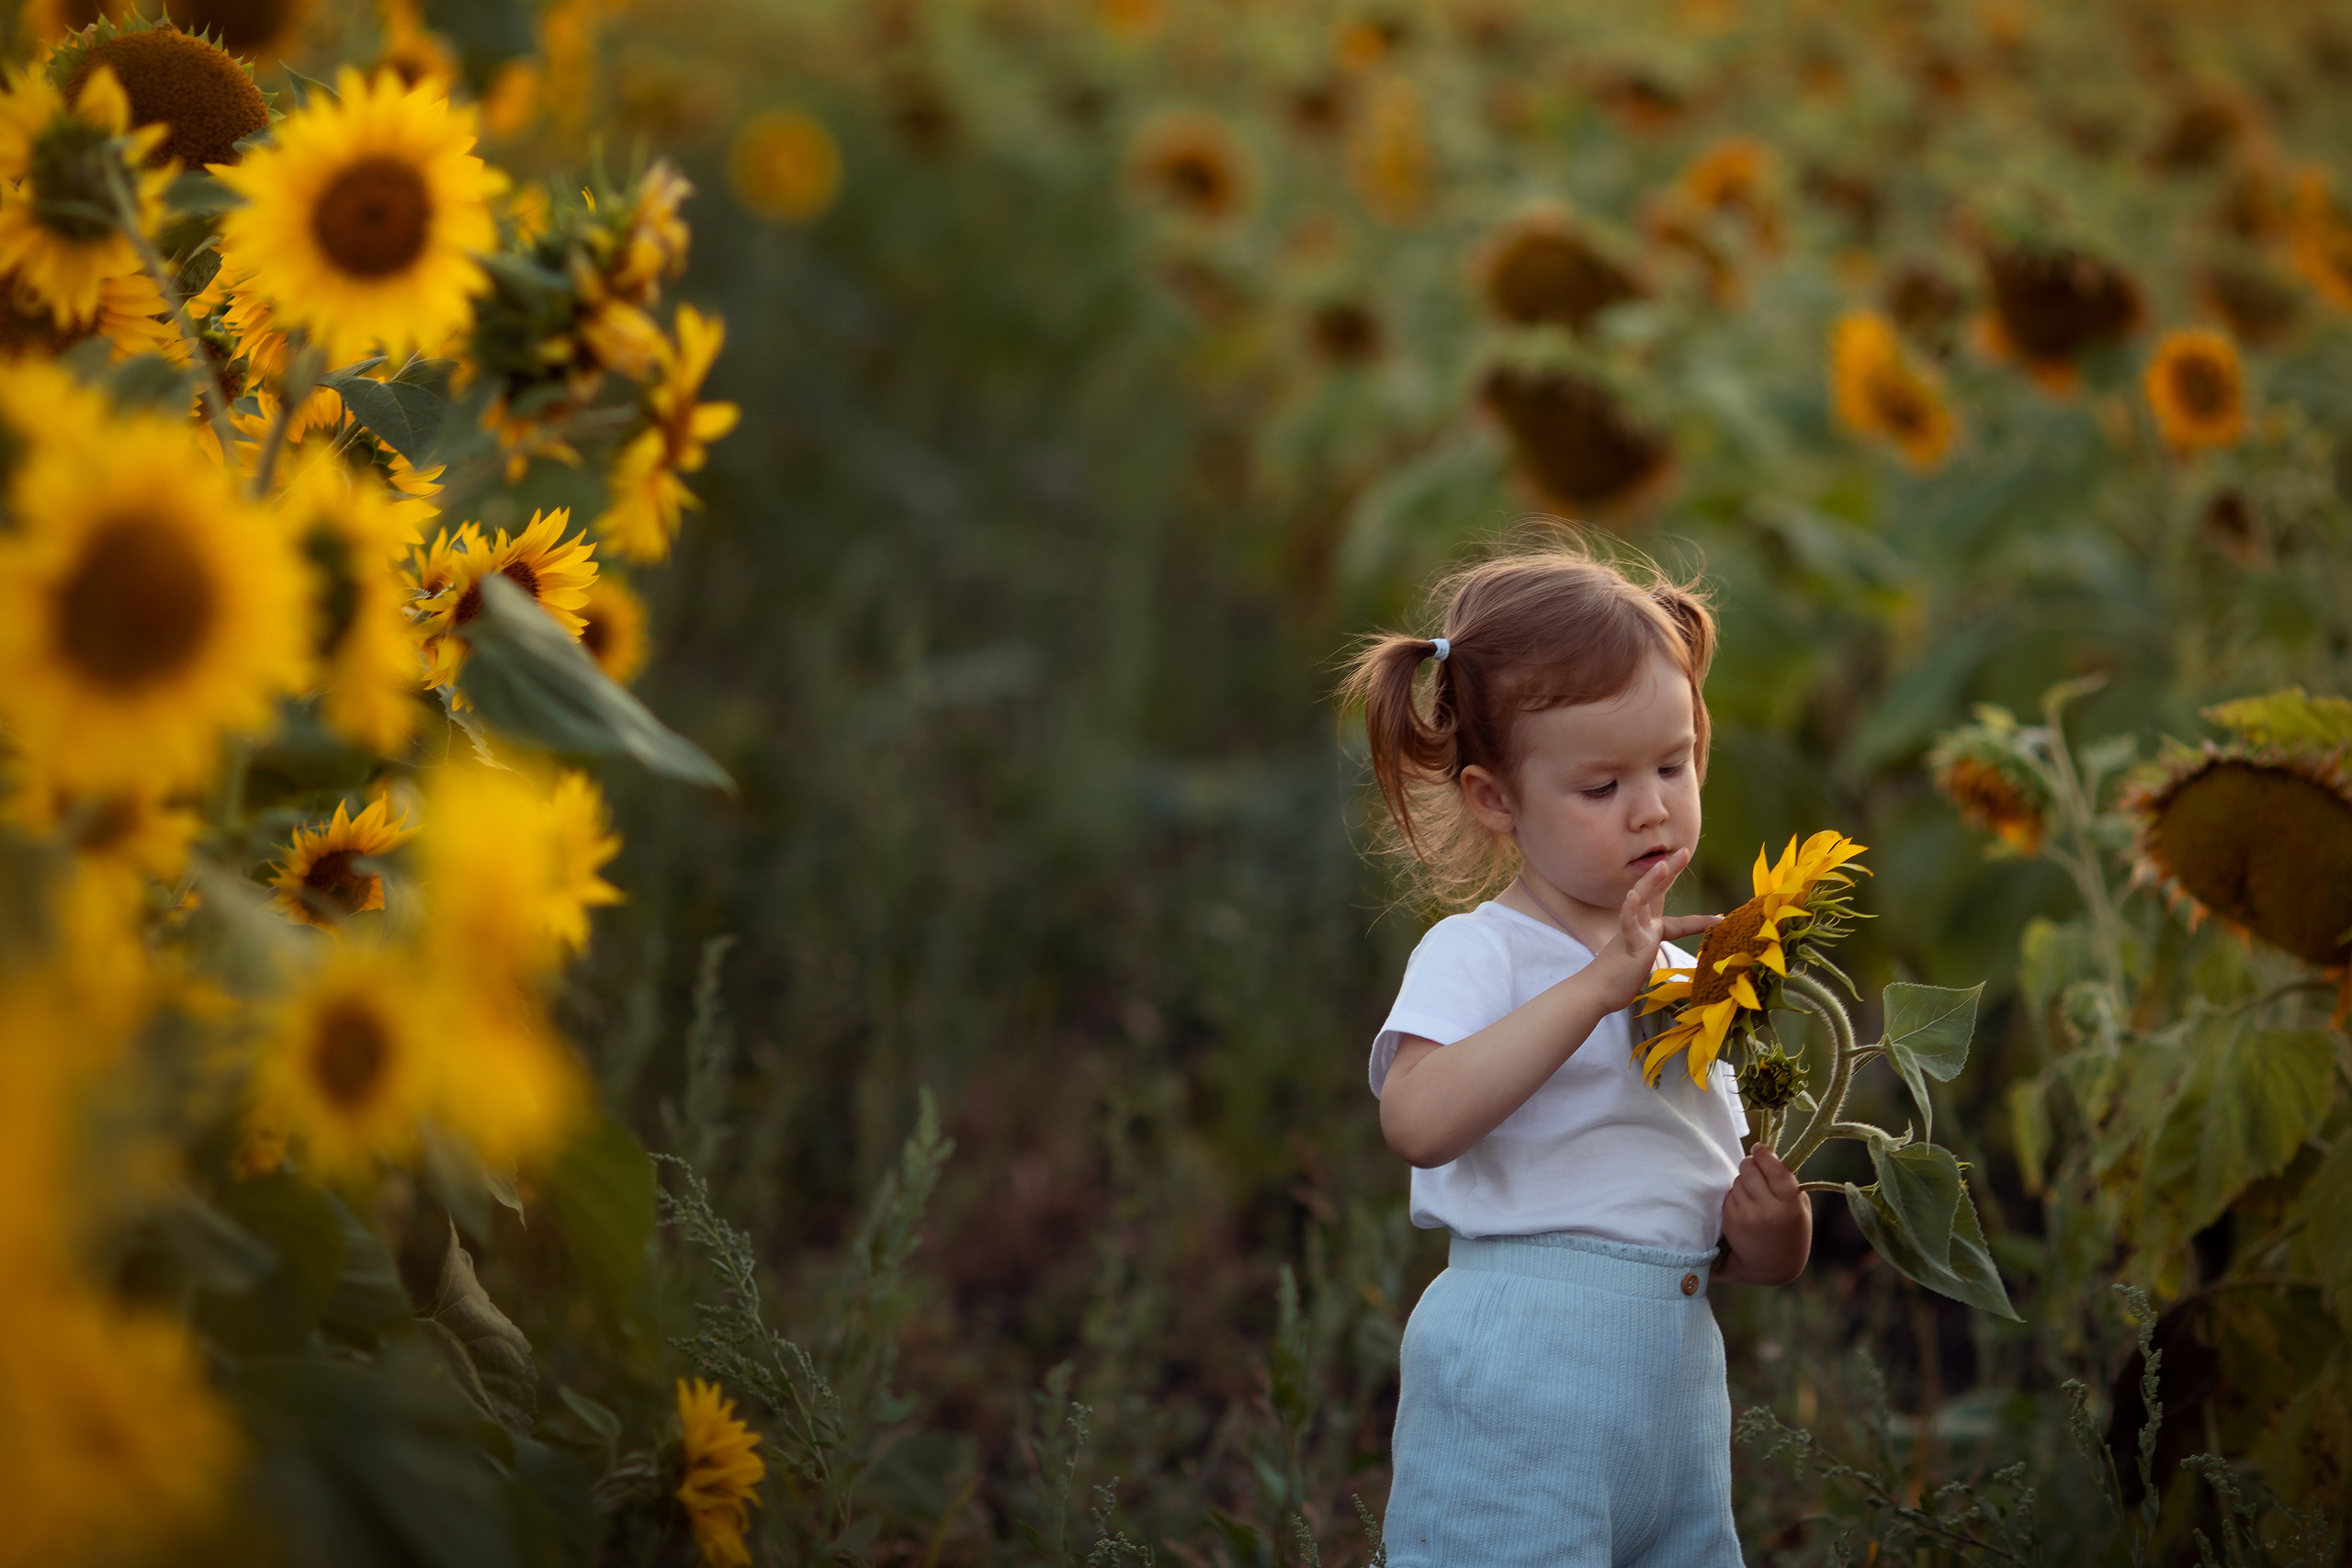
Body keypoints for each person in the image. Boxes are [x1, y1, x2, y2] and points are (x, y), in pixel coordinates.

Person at [1339, 540, 1812, 1566]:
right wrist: (1596, 988)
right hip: (1523, 1376)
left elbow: (1714, 1229)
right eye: (1600, 786)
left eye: (1672, 764)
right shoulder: (1483, 951)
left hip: (1675, 1392)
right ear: (1494, 799)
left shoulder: (1689, 981)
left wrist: (1775, 1231)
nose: (1650, 806)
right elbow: (1416, 1121)